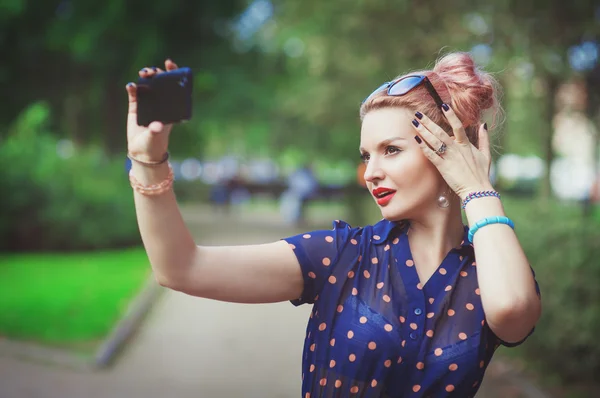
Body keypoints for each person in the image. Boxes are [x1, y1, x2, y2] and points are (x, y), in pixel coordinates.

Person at [125, 54, 541, 397]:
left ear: (449, 151)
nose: (371, 173)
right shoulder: (342, 254)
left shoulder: (489, 268)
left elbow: (513, 312)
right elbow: (180, 268)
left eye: (391, 151)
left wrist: (475, 187)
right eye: (366, 156)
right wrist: (148, 160)